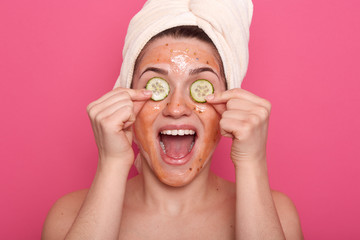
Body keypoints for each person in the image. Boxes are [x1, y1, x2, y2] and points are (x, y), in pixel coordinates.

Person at [42, 0, 303, 239]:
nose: (176, 108)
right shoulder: (69, 217)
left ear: (228, 105)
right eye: (157, 87)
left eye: (201, 86)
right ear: (126, 100)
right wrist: (111, 163)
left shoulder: (278, 216)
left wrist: (252, 163)